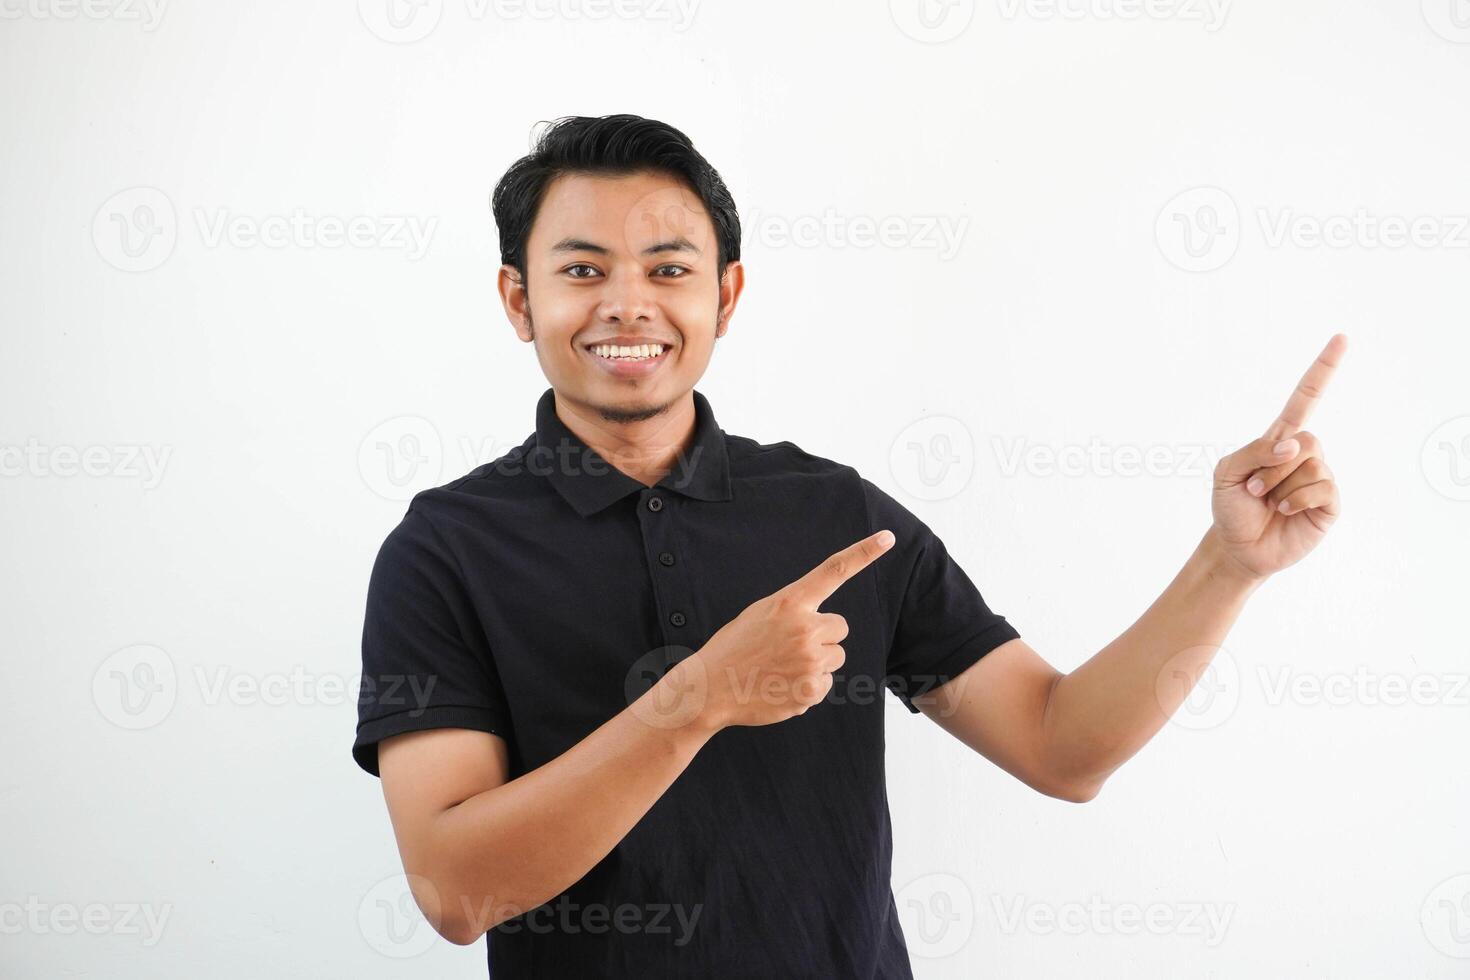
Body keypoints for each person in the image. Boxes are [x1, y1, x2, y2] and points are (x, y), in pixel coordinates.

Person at [352, 113, 1345, 977]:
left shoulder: (834, 514)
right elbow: (454, 888)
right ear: (519, 299)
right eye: (581, 270)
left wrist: (1231, 565)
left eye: (669, 269)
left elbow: (1060, 743)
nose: (628, 304)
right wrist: (701, 697)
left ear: (726, 297)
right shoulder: (444, 550)